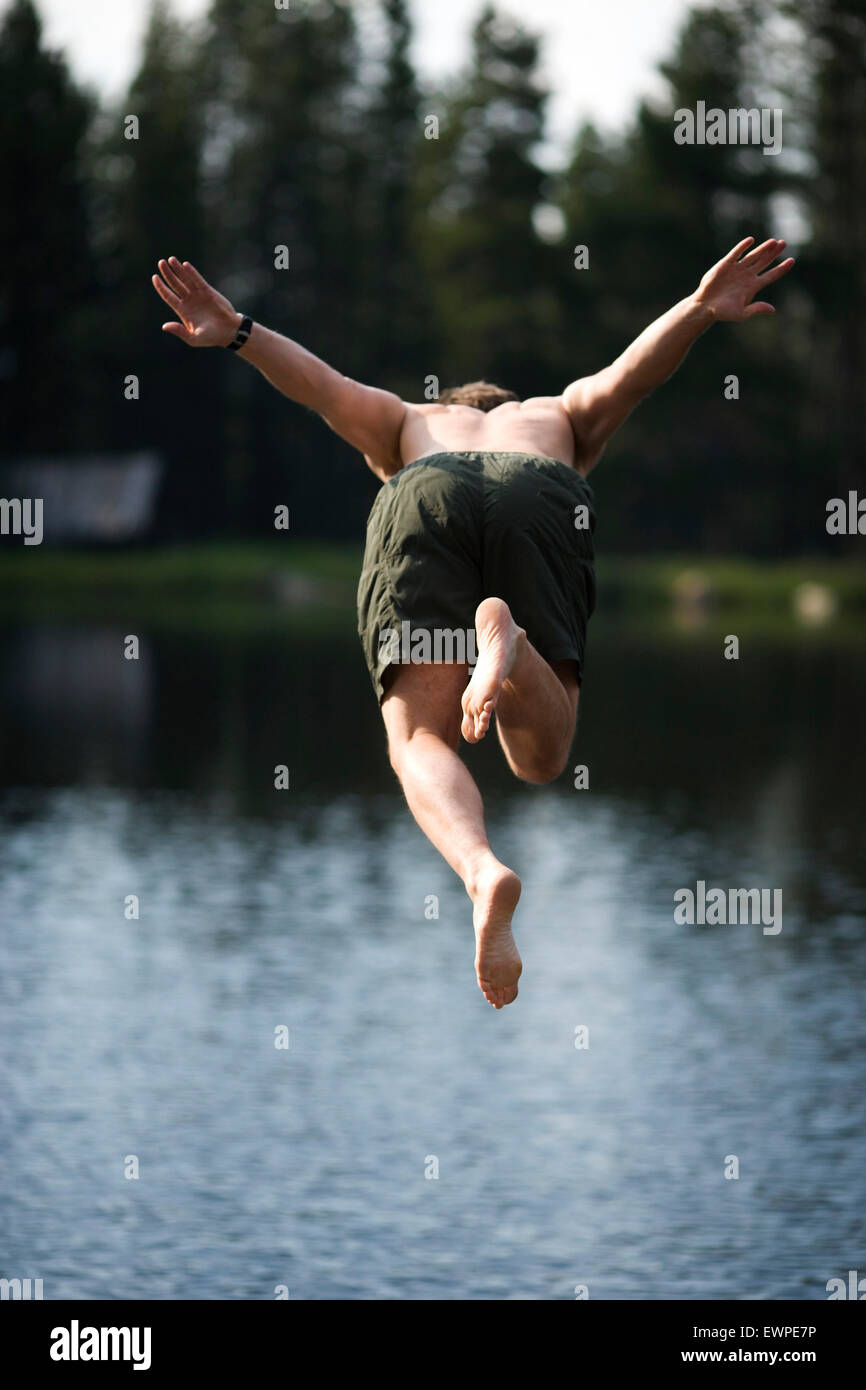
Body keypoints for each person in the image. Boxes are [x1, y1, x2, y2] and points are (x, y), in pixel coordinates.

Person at [152, 236, 794, 1009]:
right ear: (502, 407)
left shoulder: (406, 423)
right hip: (540, 493)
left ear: (455, 405)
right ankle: (512, 647)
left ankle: (481, 869)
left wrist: (240, 333)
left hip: (425, 492)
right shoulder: (557, 417)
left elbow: (319, 385)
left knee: (419, 738)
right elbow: (633, 374)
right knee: (541, 762)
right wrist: (697, 309)